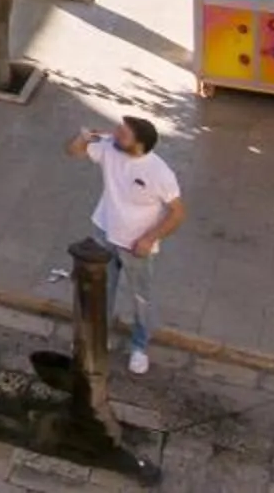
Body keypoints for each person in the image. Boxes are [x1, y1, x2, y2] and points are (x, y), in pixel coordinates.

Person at [65, 116, 185, 374]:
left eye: (124, 133)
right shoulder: (109, 146)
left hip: (136, 245)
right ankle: (100, 337)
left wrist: (149, 238)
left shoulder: (159, 172)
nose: (116, 134)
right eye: (118, 129)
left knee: (140, 297)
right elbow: (73, 152)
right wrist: (84, 136)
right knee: (100, 291)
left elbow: (177, 213)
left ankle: (139, 347)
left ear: (139, 144)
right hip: (104, 233)